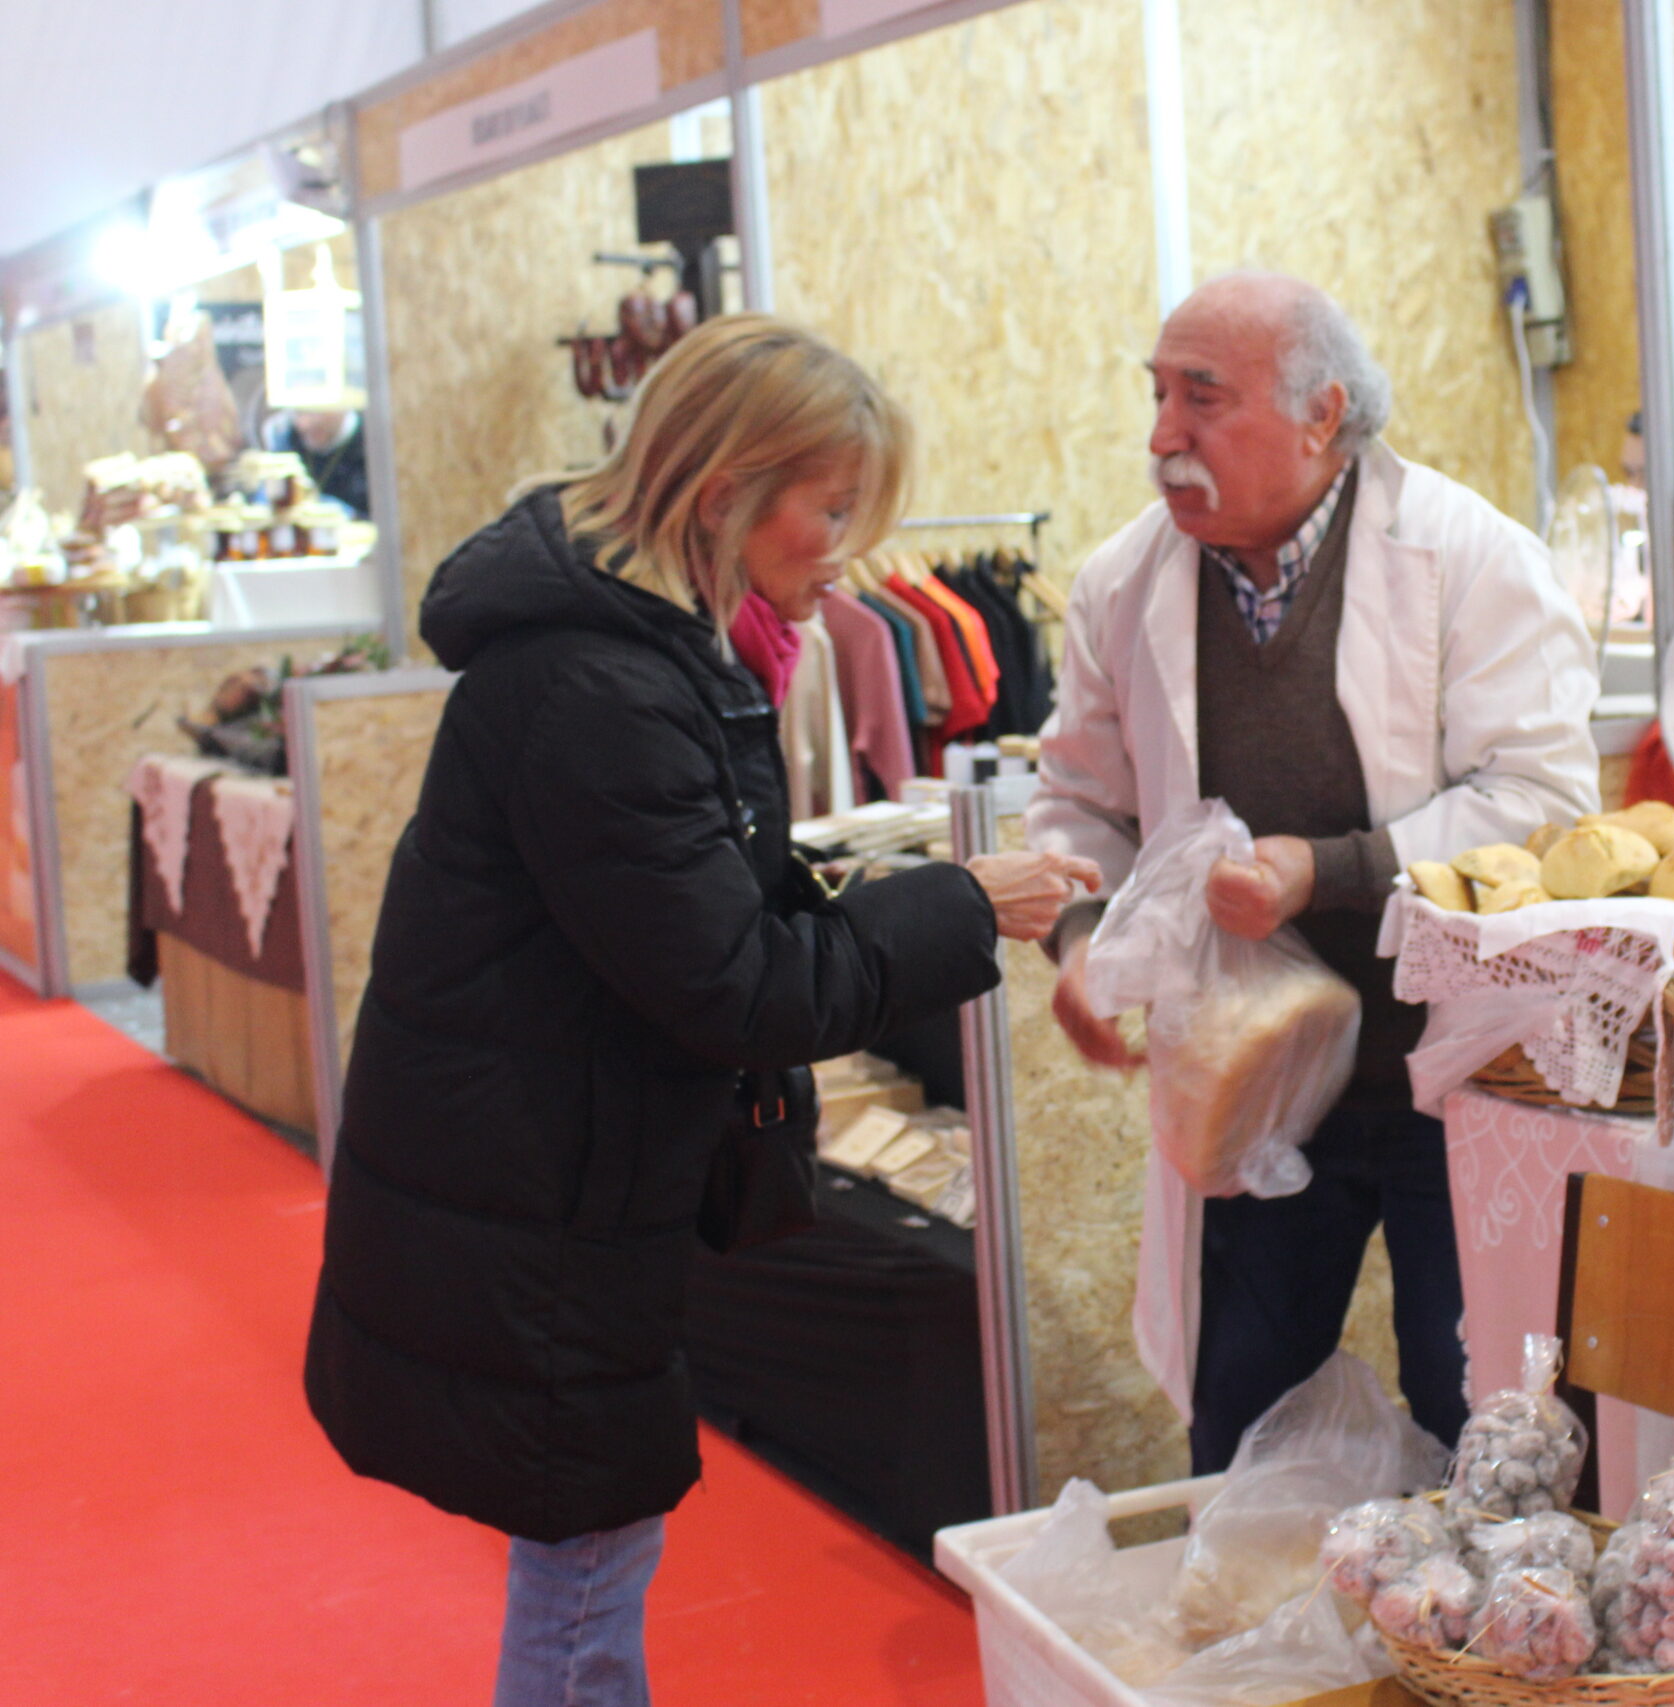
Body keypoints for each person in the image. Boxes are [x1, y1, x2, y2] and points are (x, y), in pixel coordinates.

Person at [302, 315, 1097, 1707]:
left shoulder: (635, 652)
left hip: (550, 1174)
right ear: (728, 489)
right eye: (834, 505)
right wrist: (965, 904)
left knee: (591, 1552)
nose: (847, 547)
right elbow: (734, 985)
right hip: (544, 1198)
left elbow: (679, 914)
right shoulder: (605, 682)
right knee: (587, 1574)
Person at [1029, 271, 1600, 1472]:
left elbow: (1542, 803)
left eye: (1203, 399)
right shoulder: (1122, 585)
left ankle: (1485, 1654)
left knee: (1485, 1426)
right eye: (1157, 397)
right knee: (1240, 1416)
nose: (1162, 438)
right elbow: (1080, 799)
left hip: (1457, 1074)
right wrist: (1084, 933)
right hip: (1260, 1081)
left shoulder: (1468, 557)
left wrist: (1330, 871)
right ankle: (1257, 1639)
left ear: (1322, 414)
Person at [265, 406, 369, 517]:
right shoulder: (288, 442)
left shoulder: (371, 442)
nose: (303, 424)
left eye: (313, 413)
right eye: (298, 413)